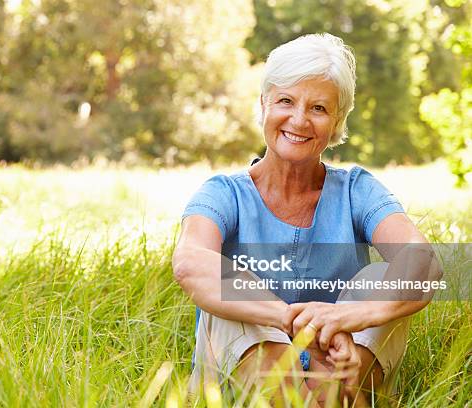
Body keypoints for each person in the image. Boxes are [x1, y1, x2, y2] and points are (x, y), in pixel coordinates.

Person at [172, 33, 433, 406]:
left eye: (319, 108)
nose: (298, 119)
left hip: (339, 365)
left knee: (382, 276)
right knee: (230, 281)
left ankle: (338, 395)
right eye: (285, 101)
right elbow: (189, 263)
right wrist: (295, 321)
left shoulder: (355, 190)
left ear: (337, 120)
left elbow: (424, 261)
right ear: (263, 104)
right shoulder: (223, 193)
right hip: (246, 375)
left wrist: (352, 318)